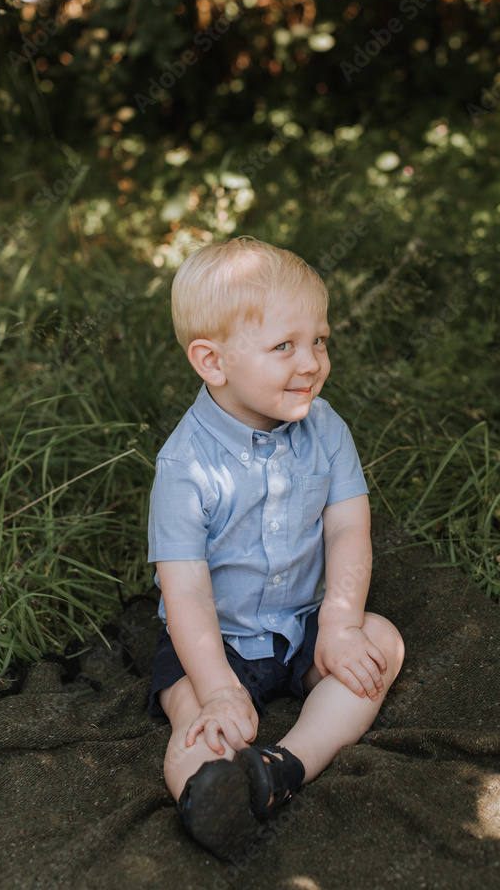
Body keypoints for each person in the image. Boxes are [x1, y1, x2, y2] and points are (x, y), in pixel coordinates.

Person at [147, 236, 404, 860]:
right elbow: (185, 590)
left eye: (319, 340)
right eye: (284, 346)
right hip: (214, 642)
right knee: (200, 721)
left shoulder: (327, 429)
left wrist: (339, 625)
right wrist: (218, 687)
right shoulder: (185, 465)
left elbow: (348, 530)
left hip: (303, 626)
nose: (311, 362)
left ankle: (285, 766)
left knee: (382, 644)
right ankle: (209, 801)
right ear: (212, 361)